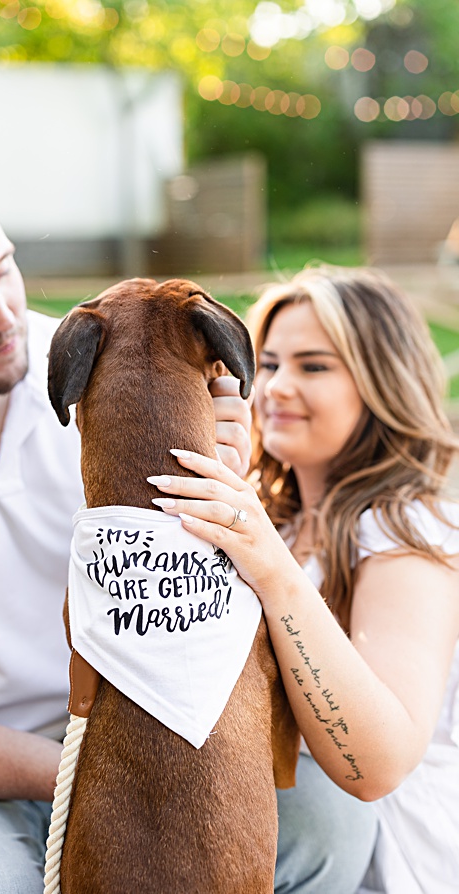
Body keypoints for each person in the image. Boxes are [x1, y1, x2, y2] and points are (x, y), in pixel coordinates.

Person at [0, 158, 257, 892]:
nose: (4, 315)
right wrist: (104, 787)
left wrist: (228, 490)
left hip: (159, 721)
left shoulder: (116, 357)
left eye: (3, 270)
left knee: (333, 826)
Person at [150, 267, 459, 893]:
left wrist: (269, 564)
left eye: (314, 367)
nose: (277, 388)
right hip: (263, 814)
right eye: (267, 365)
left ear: (380, 384)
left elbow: (375, 767)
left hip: (375, 848)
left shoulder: (409, 532)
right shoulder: (276, 516)